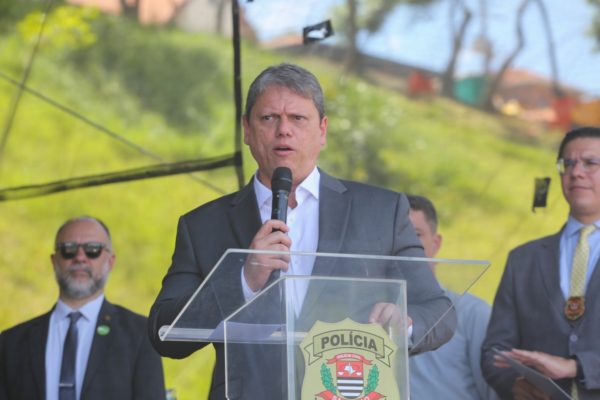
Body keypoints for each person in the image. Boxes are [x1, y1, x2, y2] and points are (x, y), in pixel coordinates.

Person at [148, 63, 455, 399]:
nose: (284, 130)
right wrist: (242, 281)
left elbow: (438, 310)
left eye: (298, 118)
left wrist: (404, 322)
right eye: (269, 118)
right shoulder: (203, 226)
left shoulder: (381, 212)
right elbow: (164, 332)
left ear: (322, 130)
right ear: (247, 131)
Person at [481, 126, 600, 399]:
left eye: (590, 163)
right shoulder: (523, 259)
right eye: (567, 163)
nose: (576, 172)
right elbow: (495, 350)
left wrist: (576, 367)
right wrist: (514, 383)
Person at [0, 216, 166, 400]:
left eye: (92, 250)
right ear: (54, 261)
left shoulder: (140, 334)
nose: (80, 257)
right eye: (68, 250)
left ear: (110, 261)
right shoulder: (10, 343)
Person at [407, 194, 499, 400]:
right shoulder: (366, 314)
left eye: (415, 234)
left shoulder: (473, 314)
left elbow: (495, 392)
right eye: (397, 235)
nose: (405, 244)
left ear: (436, 243)